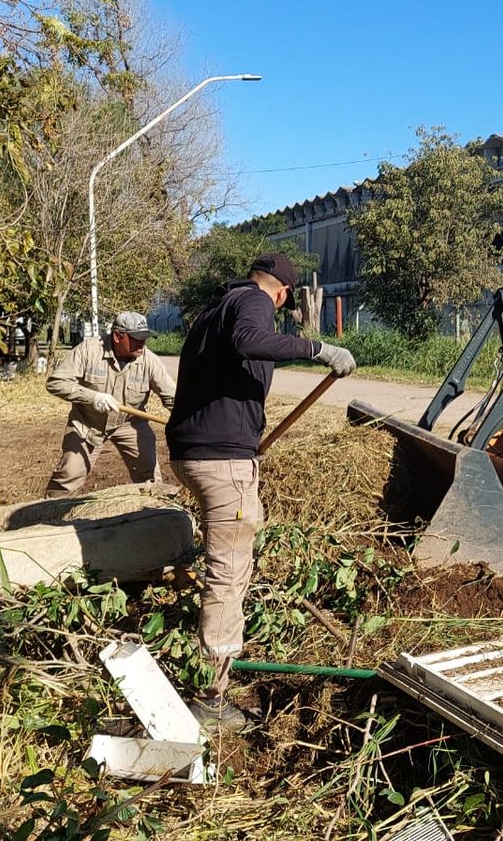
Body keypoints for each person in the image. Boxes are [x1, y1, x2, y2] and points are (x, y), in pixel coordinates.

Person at [165, 253, 356, 729]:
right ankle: (211, 698)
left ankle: (213, 655)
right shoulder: (253, 302)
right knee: (227, 575)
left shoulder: (215, 308)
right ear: (283, 293)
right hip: (220, 460)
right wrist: (317, 349)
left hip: (196, 453)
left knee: (238, 541)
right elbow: (250, 340)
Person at [43, 312, 176, 498]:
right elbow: (56, 383)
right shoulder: (89, 350)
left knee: (150, 478)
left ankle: (155, 511)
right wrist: (93, 397)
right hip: (87, 424)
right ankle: (50, 512)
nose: (142, 344)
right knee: (68, 477)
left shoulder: (149, 360)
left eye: (144, 338)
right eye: (136, 339)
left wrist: (190, 421)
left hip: (130, 423)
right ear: (117, 336)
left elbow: (172, 398)